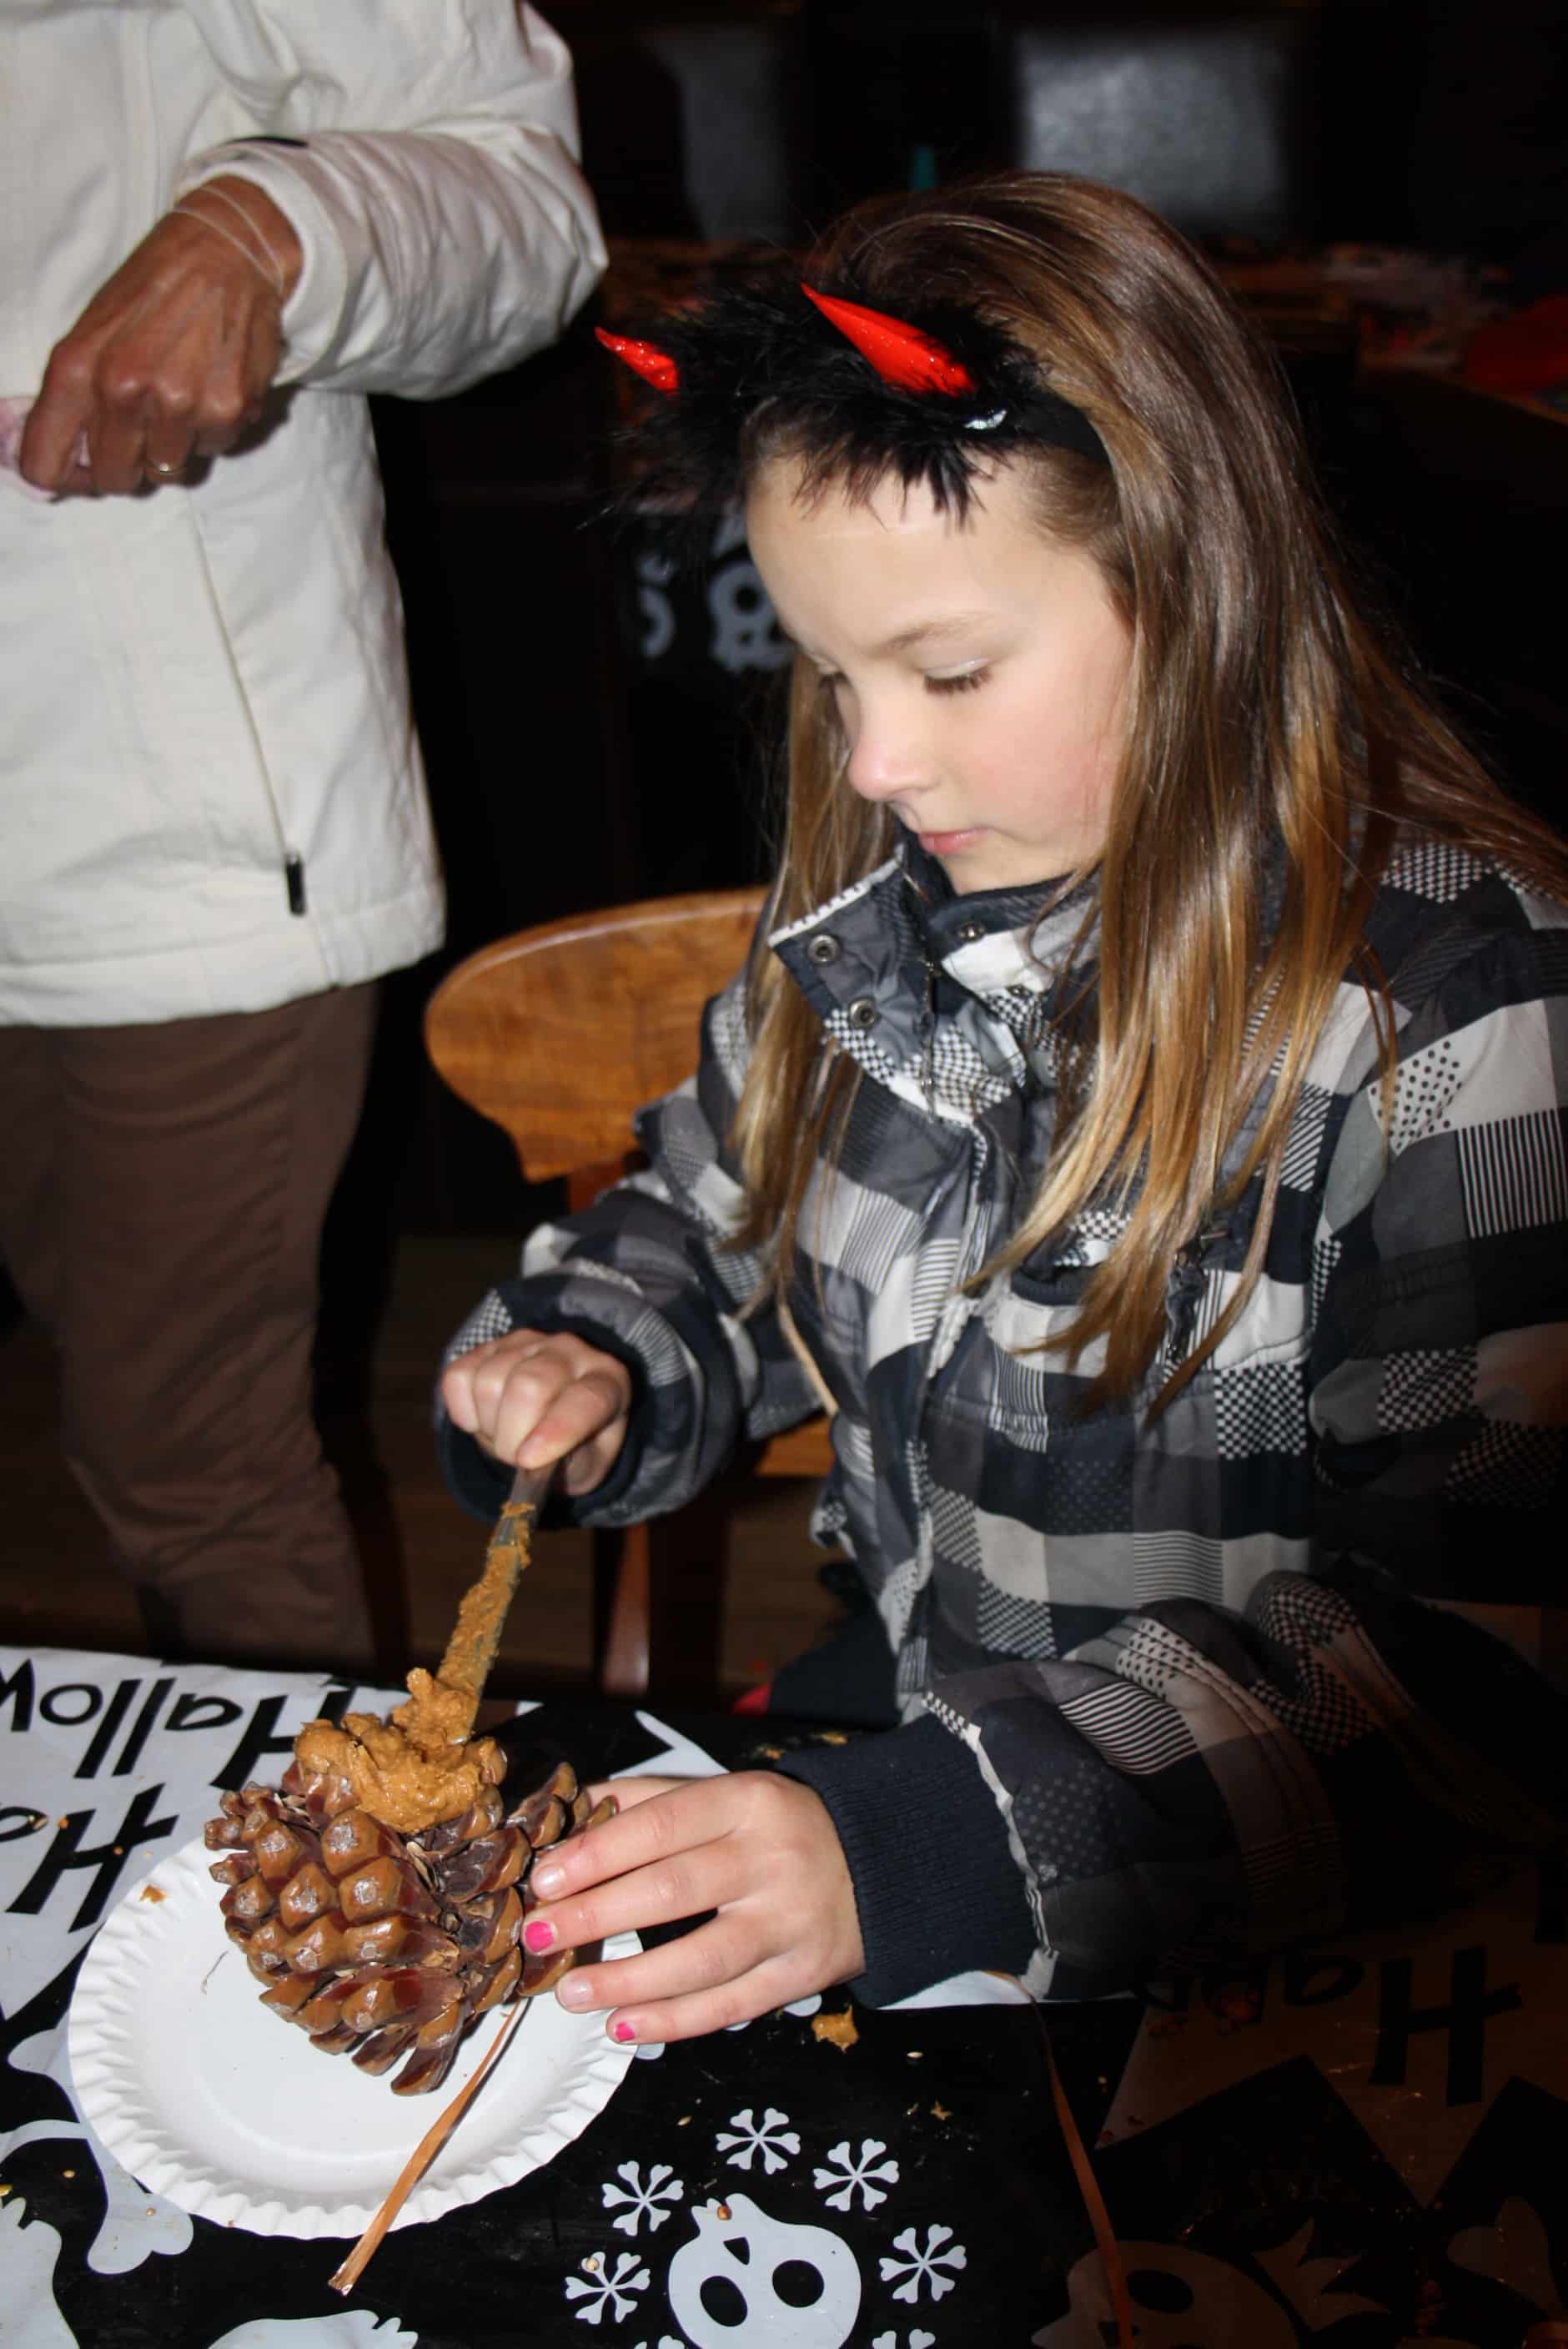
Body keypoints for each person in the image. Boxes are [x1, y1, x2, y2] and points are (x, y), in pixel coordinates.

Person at [438, 171, 1568, 2048]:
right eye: (827, 675)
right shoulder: (866, 938)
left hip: (1270, 1913)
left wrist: (938, 1840)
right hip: (908, 1748)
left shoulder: (1461, 1018)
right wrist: (603, 1349)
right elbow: (709, 1222)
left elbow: (1482, 1673)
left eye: (950, 671)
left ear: (1197, 596)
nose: (878, 762)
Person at [0, 3, 605, 1673]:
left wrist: (270, 226)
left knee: (185, 1464)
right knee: (121, 1399)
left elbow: (528, 212)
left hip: (176, 841)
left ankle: (325, 1854)